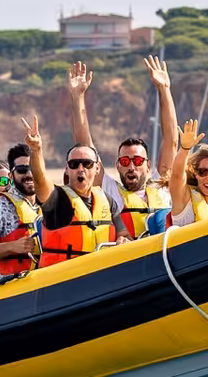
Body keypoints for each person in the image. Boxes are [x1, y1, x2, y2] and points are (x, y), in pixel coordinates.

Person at [66, 56, 179, 240]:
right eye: (125, 161)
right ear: (118, 165)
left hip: (163, 255)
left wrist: (164, 89)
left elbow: (172, 140)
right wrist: (78, 97)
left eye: (138, 161)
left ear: (148, 166)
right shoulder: (109, 190)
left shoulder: (161, 185)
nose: (131, 167)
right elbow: (85, 145)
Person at [23, 112, 113, 266]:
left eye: (87, 164)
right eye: (74, 164)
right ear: (66, 169)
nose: (80, 169)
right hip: (63, 279)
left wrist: (123, 239)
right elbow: (40, 180)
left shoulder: (107, 200)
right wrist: (36, 150)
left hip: (100, 277)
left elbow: (123, 233)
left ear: (97, 168)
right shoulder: (57, 201)